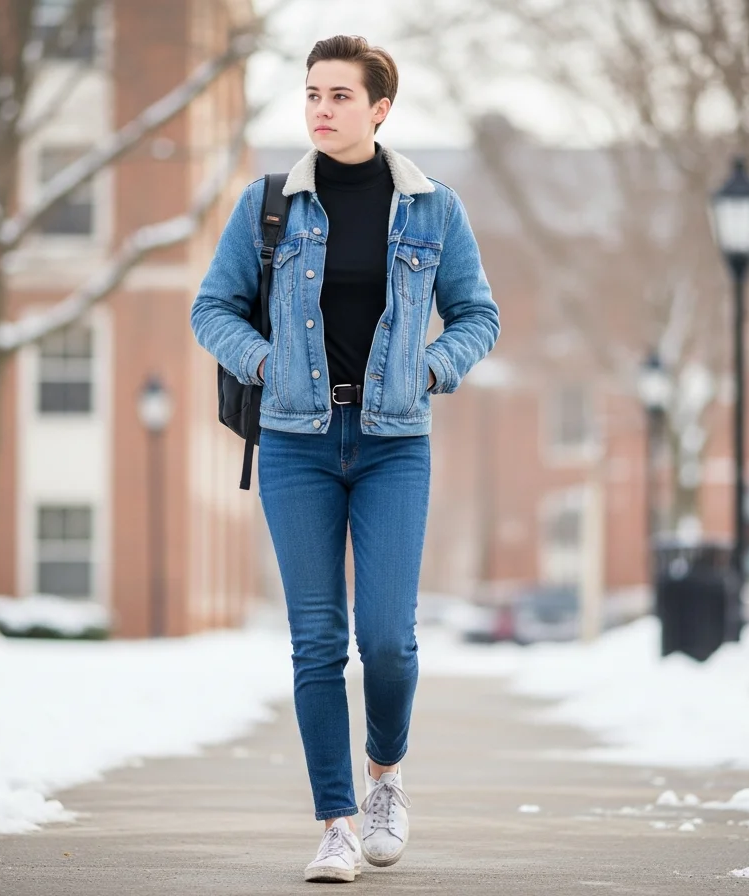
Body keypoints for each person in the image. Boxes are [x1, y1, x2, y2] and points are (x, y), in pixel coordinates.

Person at [190, 34, 500, 884]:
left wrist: (433, 367)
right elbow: (210, 308)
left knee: (390, 642)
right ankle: (334, 822)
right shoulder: (269, 206)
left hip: (396, 443)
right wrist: (264, 361)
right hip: (295, 443)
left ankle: (386, 780)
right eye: (313, 94)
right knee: (317, 642)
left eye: (339, 96)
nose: (321, 109)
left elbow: (479, 315)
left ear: (380, 109)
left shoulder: (434, 208)